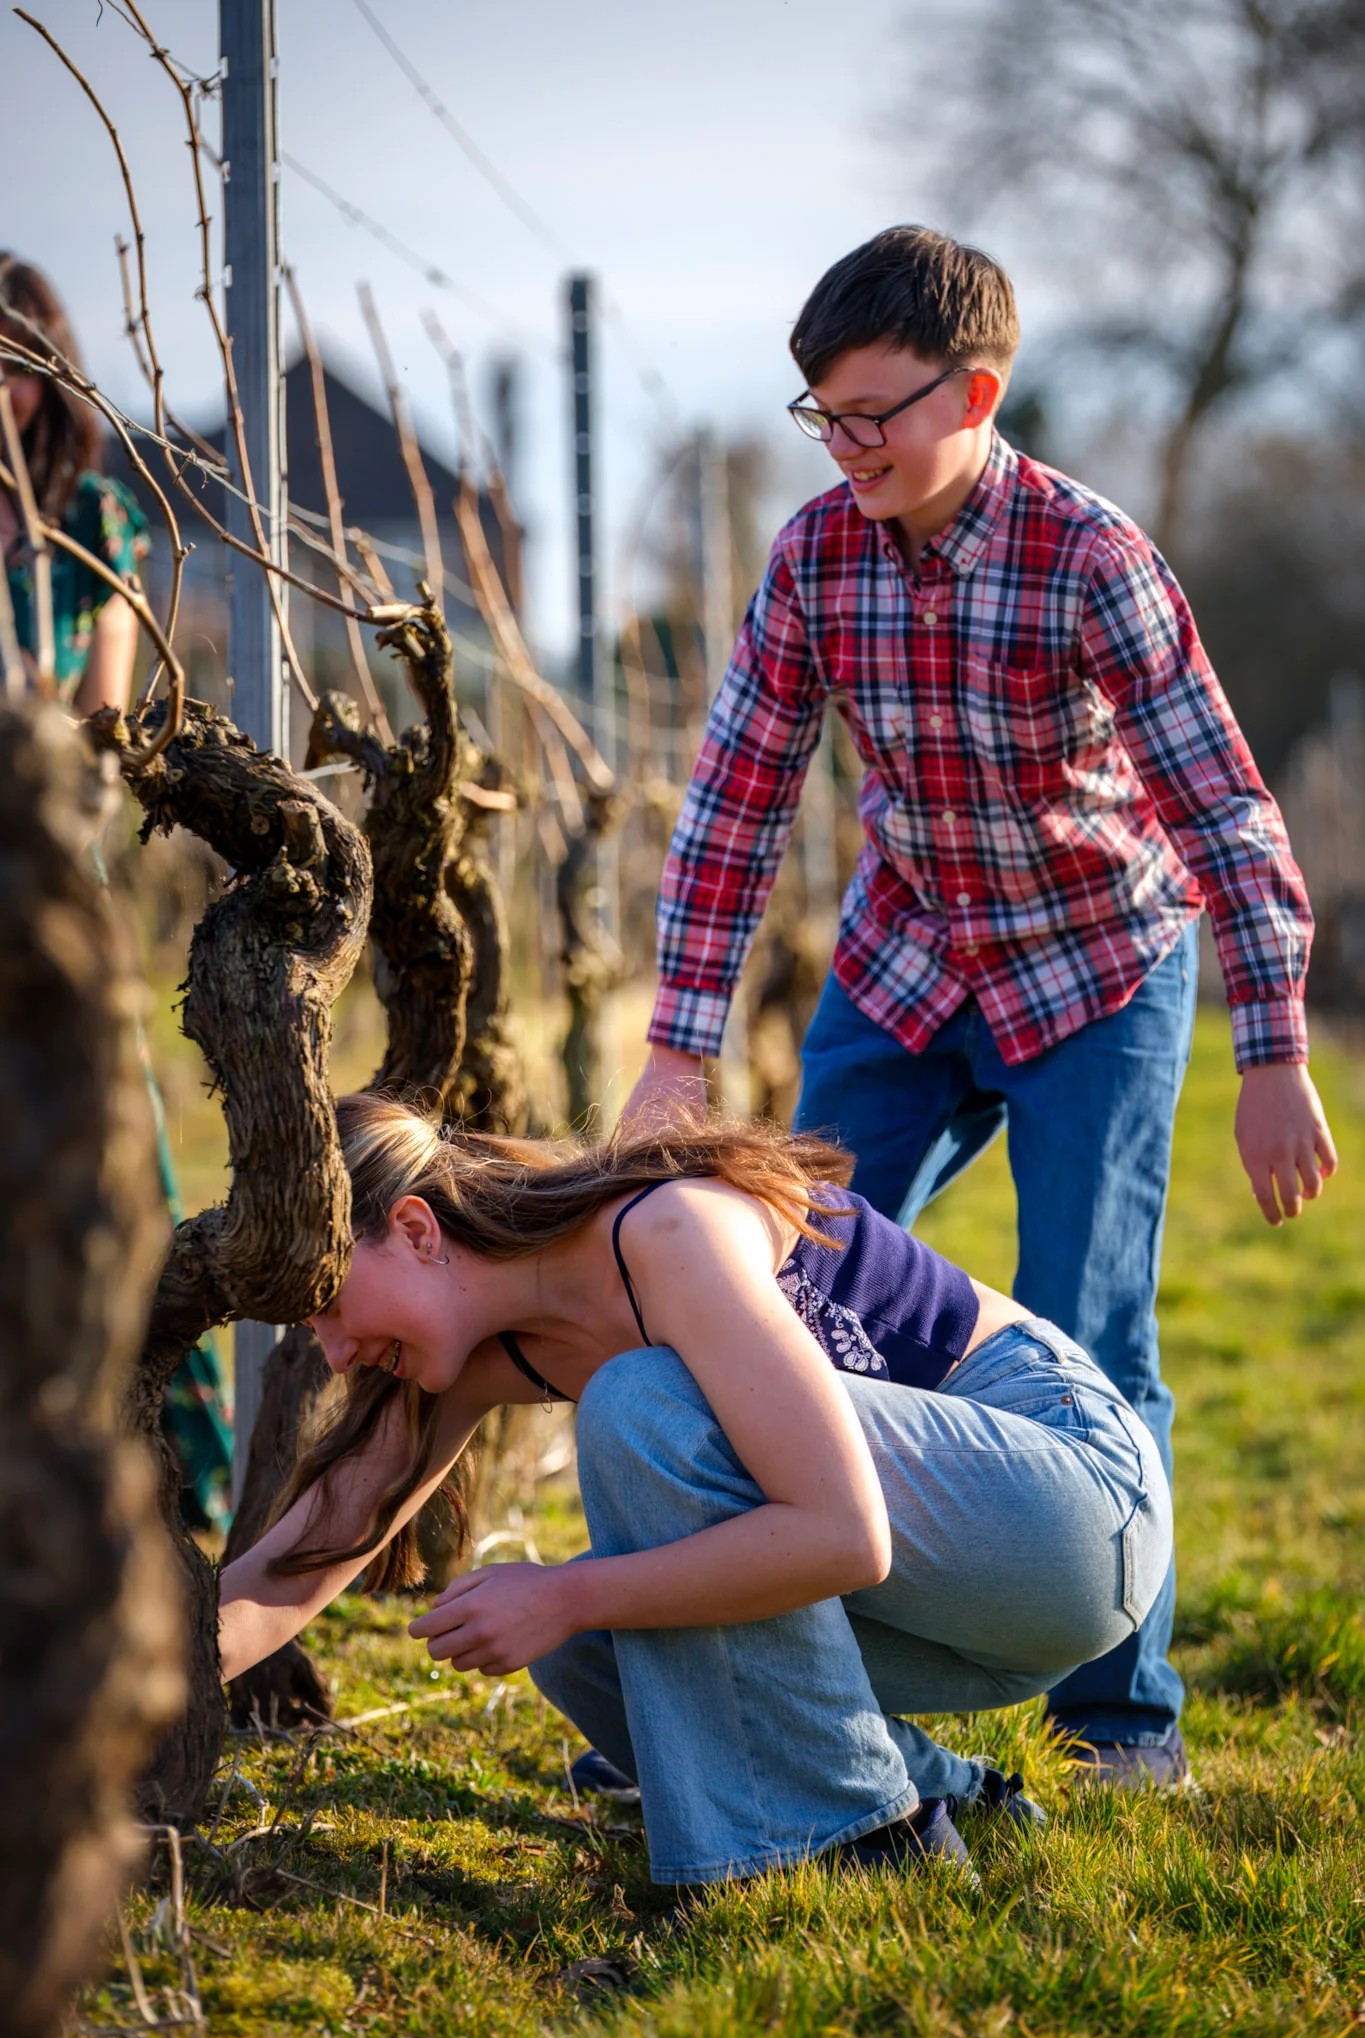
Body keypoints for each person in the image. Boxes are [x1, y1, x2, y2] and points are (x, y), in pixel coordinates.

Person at [622, 226, 1339, 1790]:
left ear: (977, 394)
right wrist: (678, 1048)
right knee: (783, 1288)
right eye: (824, 415)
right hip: (907, 966)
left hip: (1096, 966)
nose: (845, 444)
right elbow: (737, 799)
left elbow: (1221, 808)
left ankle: (1118, 1719)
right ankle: (784, 1661)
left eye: (872, 414)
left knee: (1087, 1321)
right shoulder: (815, 555)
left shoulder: (1092, 560)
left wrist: (1274, 1045)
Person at [219, 1091, 1171, 1886]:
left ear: (418, 1229)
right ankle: (936, 1792)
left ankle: (867, 1844)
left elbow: (847, 1537)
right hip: (963, 1589)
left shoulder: (668, 1231)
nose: (336, 1354)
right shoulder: (459, 1358)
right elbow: (300, 1559)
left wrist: (564, 1592)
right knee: (589, 1642)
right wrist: (125, 1695)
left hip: (1071, 1505)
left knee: (636, 1411)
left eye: (333, 1307)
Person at [1, 254, 233, 1533]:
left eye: (8, 369)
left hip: (50, 876)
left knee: (108, 1155)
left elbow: (103, 719)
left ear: (44, 371)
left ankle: (161, 1460)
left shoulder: (94, 521)